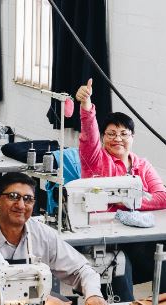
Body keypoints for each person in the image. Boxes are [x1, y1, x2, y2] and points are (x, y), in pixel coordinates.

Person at [75, 78, 166, 301]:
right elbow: (89, 134)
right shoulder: (95, 160)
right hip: (105, 234)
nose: (118, 138)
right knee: (119, 261)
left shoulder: (142, 165)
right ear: (103, 138)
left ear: (132, 138)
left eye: (124, 134)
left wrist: (128, 204)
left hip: (136, 236)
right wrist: (86, 105)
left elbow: (162, 197)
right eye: (111, 133)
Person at [0, 172, 107, 305]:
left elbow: (82, 269)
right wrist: (42, 300)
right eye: (13, 197)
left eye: (28, 199)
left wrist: (93, 295)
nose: (21, 205)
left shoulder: (43, 234)